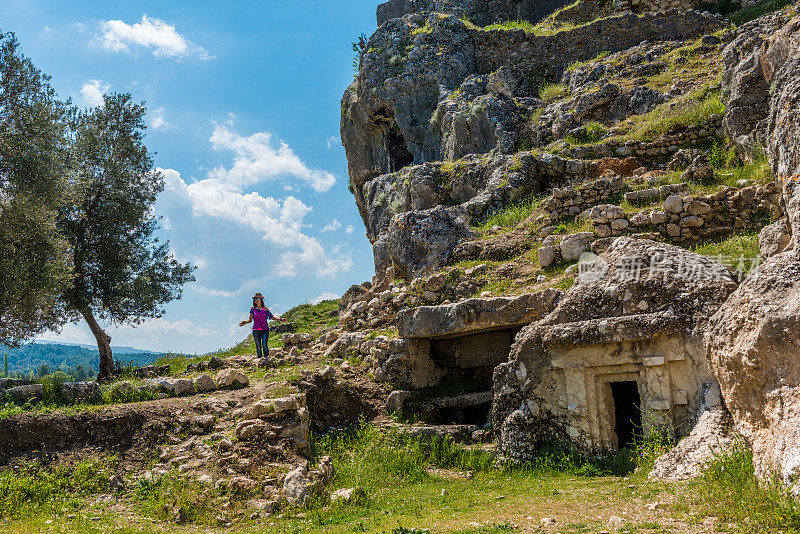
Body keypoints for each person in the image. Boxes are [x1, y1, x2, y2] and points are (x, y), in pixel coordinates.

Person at [239, 292, 285, 359]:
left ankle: (267, 359)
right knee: (258, 346)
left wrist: (280, 319)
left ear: (261, 299)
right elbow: (250, 320)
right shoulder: (252, 309)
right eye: (255, 299)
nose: (256, 300)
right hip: (256, 330)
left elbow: (271, 317)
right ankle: (260, 360)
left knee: (264, 345)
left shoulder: (265, 309)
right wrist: (245, 322)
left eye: (258, 298)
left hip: (265, 330)